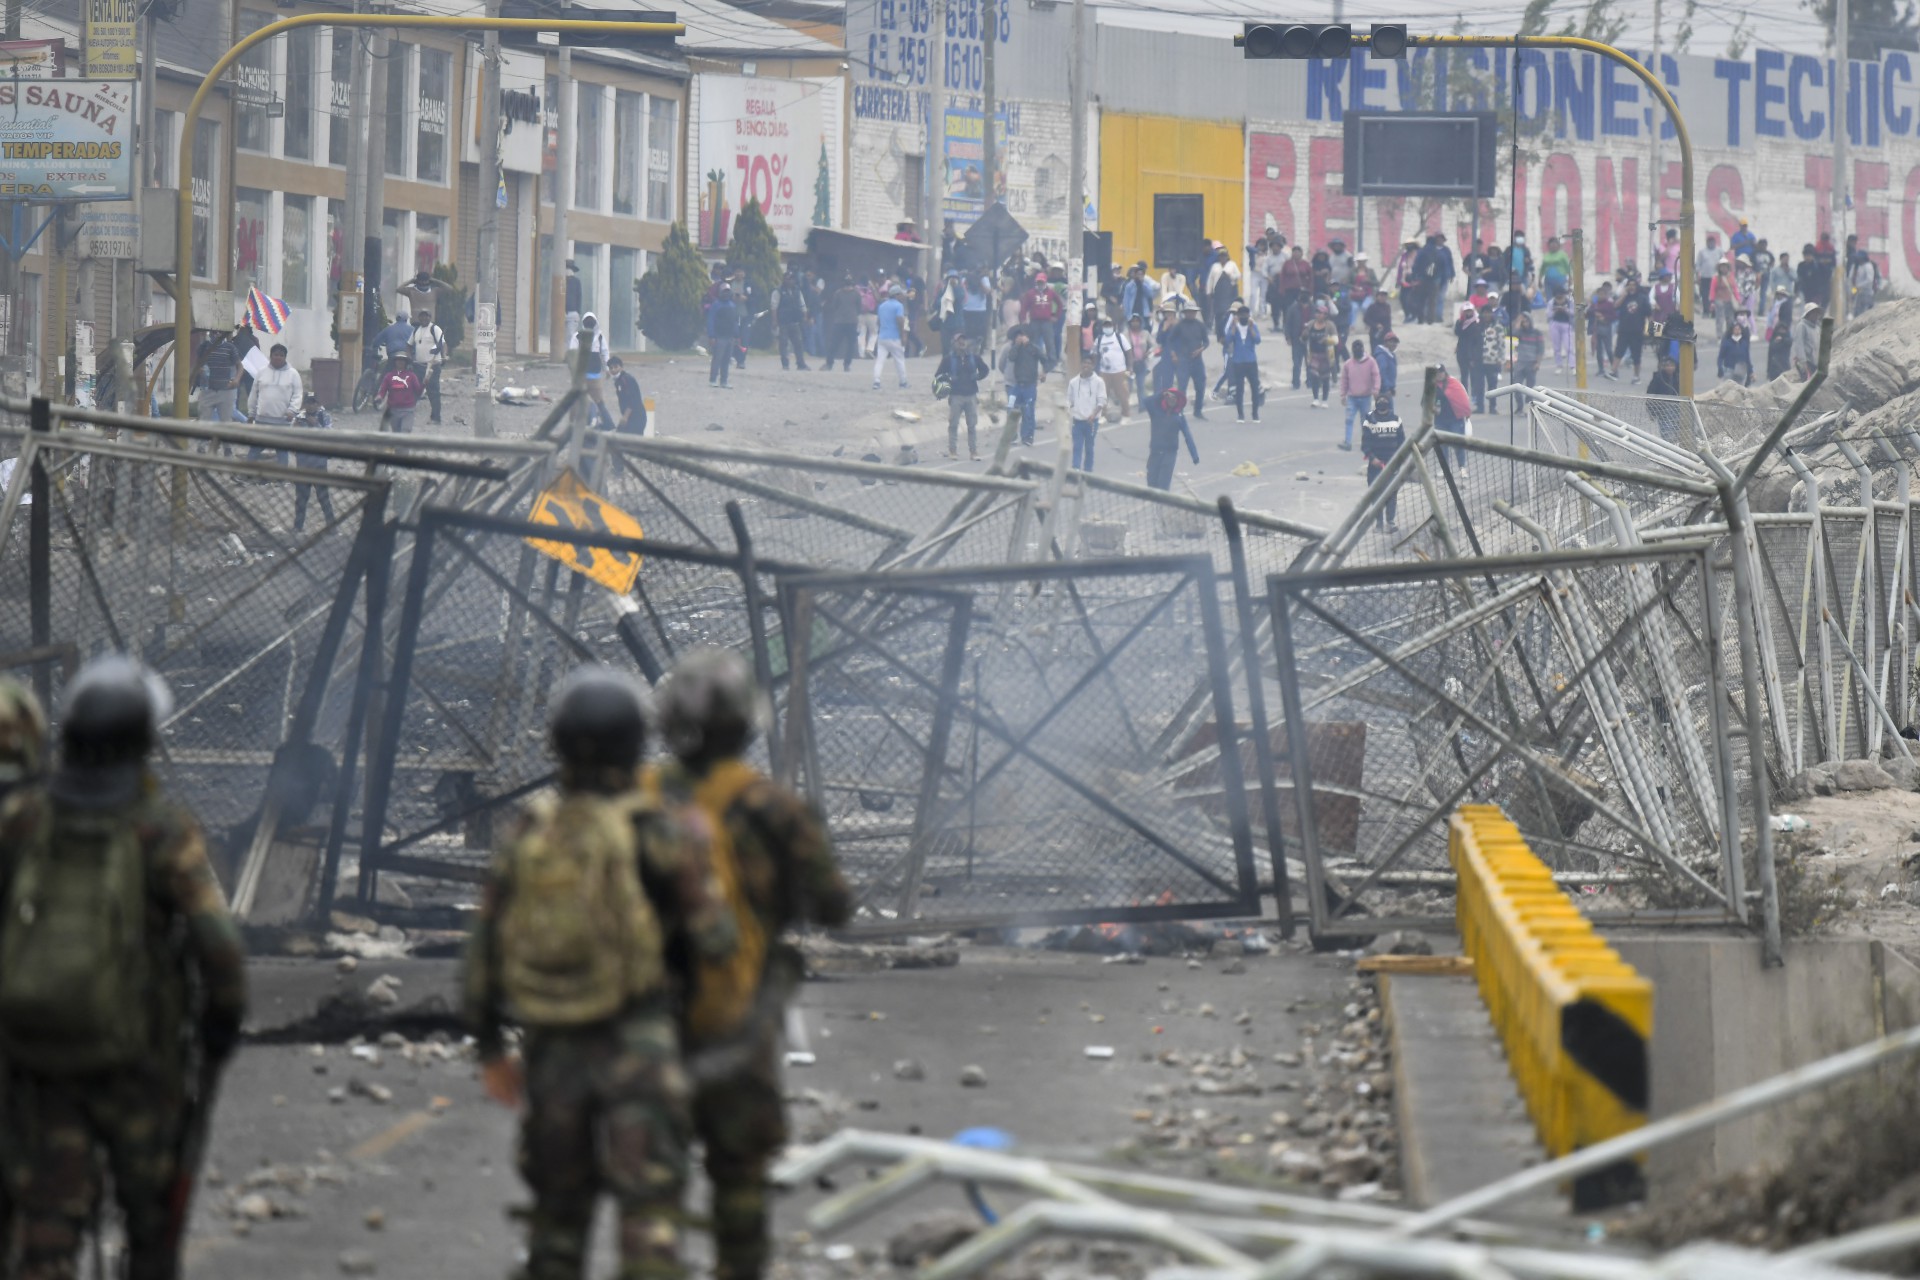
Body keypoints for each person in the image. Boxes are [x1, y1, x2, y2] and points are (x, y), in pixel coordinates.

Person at [463, 665, 732, 1280]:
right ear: (639, 743)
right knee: (651, 1216)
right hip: (643, 1044)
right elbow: (715, 941)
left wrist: (488, 1047)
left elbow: (484, 951)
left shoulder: (528, 832)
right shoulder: (661, 830)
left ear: (557, 742)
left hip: (554, 1048)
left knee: (557, 1221)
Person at [0, 656, 246, 1280]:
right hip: (138, 1065)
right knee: (150, 1226)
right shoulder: (160, 830)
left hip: (40, 1058)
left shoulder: (24, 819)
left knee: (48, 1224)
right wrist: (219, 1027)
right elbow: (218, 947)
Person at [647, 651, 850, 1280]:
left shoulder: (637, 799)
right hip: (738, 1013)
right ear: (746, 725)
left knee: (654, 1181)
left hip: (644, 1020)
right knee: (739, 1177)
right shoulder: (773, 809)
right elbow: (834, 905)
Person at [289, 393, 337, 534]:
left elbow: (330, 434)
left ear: (318, 403)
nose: (311, 405)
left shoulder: (324, 416)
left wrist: (316, 424)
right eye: (308, 402)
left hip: (319, 464)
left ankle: (332, 527)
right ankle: (298, 527)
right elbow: (291, 436)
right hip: (303, 463)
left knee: (323, 497)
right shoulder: (299, 417)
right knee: (301, 498)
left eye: (313, 402)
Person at [936, 333, 989, 460]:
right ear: (954, 343)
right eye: (959, 340)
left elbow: (985, 370)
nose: (962, 342)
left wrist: (977, 376)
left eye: (964, 340)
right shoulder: (948, 360)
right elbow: (938, 376)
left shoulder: (974, 358)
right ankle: (953, 450)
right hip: (955, 396)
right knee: (953, 424)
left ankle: (973, 451)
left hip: (971, 395)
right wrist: (949, 380)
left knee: (972, 425)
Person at [1359, 392, 1404, 531]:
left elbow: (1402, 442)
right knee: (1376, 493)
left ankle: (1390, 521)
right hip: (1375, 466)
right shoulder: (1369, 420)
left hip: (1392, 464)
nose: (1382, 402)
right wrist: (1372, 459)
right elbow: (1365, 444)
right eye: (1380, 400)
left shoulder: (1396, 420)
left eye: (1385, 400)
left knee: (1391, 492)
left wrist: (1398, 460)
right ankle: (1378, 523)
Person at [1164, 300, 1211, 418]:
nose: (1191, 314)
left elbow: (1206, 341)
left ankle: (1198, 410)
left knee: (1200, 386)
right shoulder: (1179, 325)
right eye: (1188, 312)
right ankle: (1180, 411)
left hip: (1197, 360)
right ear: (1185, 313)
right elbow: (1170, 340)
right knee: (1182, 388)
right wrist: (1173, 354)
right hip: (1183, 360)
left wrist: (1201, 349)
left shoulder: (1200, 325)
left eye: (1193, 312)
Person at [1143, 385, 1193, 491]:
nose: (1172, 400)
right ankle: (1155, 504)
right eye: (1169, 397)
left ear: (1178, 401)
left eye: (1174, 398)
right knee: (1151, 481)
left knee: (1163, 483)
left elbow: (1188, 436)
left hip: (1169, 453)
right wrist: (1161, 393)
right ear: (1165, 398)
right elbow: (1146, 401)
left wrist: (1194, 455)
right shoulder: (1156, 413)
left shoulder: (1179, 418)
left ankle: (1162, 505)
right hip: (1155, 452)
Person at [1003, 326, 1046, 446]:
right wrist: (1017, 345)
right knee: (1012, 409)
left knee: (1028, 412)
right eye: (1018, 335)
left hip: (1030, 384)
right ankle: (1012, 436)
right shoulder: (1013, 349)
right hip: (1017, 384)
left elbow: (1043, 359)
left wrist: (1044, 372)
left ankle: (1027, 436)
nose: (1021, 338)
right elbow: (1011, 358)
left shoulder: (1034, 348)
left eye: (1023, 335)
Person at [1221, 303, 1262, 423]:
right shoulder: (1235, 326)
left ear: (1249, 315)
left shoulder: (1252, 325)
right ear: (1238, 316)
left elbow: (1257, 340)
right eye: (1241, 315)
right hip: (1238, 362)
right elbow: (1227, 340)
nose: (1243, 317)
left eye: (1246, 315)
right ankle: (1240, 415)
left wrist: (1250, 328)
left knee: (1254, 388)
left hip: (1251, 361)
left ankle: (1255, 414)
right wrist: (1234, 327)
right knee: (1240, 389)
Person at [192, 328, 242, 425]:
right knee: (203, 423)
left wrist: (236, 379)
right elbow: (197, 365)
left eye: (220, 332)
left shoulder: (230, 347)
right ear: (210, 332)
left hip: (225, 390)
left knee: (226, 423)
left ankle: (223, 440)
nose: (217, 334)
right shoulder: (204, 346)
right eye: (214, 332)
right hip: (207, 390)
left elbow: (240, 366)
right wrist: (199, 370)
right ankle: (203, 440)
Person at [407, 308, 447, 424]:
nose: (424, 318)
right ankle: (407, 414)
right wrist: (409, 357)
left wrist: (444, 355)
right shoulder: (416, 330)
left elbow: (443, 344)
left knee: (433, 392)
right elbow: (408, 345)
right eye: (422, 316)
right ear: (419, 318)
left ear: (430, 318)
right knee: (414, 390)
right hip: (418, 365)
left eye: (426, 316)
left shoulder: (435, 329)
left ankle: (435, 418)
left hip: (432, 365)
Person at [248, 341, 303, 428]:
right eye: (276, 354)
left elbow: (298, 394)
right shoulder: (262, 372)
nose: (278, 357)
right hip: (261, 420)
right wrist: (251, 414)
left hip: (284, 421)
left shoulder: (293, 373)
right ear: (271, 356)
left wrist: (292, 410)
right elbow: (254, 394)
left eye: (281, 355)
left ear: (285, 357)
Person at [1065, 358, 1106, 472]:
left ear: (1093, 366)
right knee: (1077, 446)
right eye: (1084, 363)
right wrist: (1066, 410)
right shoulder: (1073, 382)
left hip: (1091, 422)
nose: (1086, 365)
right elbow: (1069, 400)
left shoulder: (1099, 382)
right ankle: (1076, 469)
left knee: (1089, 448)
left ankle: (1088, 470)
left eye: (1089, 363)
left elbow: (1101, 401)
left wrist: (1093, 414)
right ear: (1081, 364)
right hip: (1077, 421)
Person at [1337, 339, 1379, 452]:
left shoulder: (1371, 362)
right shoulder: (1348, 364)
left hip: (1366, 397)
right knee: (1349, 419)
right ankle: (1348, 442)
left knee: (1364, 421)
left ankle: (1366, 443)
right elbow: (1344, 380)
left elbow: (1376, 376)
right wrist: (1343, 395)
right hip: (1352, 397)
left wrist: (1375, 390)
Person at [571, 312, 613, 419]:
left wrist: (607, 369)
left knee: (598, 399)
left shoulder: (600, 337)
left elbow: (605, 353)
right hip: (581, 374)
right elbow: (572, 354)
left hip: (595, 374)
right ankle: (576, 422)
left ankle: (602, 420)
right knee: (578, 398)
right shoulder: (577, 337)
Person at [869, 286, 910, 390]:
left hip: (882, 337)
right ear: (896, 295)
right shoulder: (899, 306)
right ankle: (903, 382)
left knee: (880, 360)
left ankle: (876, 381)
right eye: (900, 294)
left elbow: (878, 322)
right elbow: (899, 320)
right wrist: (902, 334)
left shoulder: (882, 306)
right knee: (899, 360)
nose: (902, 296)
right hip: (895, 337)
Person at [1434, 366, 1472, 471]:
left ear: (1444, 372)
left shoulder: (1453, 383)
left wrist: (1466, 411)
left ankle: (1462, 467)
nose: (1439, 375)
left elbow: (1462, 398)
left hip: (1455, 419)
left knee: (1458, 444)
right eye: (1437, 373)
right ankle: (1444, 468)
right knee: (1442, 446)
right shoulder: (1432, 386)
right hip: (1440, 420)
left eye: (1441, 372)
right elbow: (1424, 402)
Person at [1092, 318, 1131, 421]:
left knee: (1122, 393)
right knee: (1102, 394)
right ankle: (1102, 415)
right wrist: (1095, 369)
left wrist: (1130, 367)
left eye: (1109, 325)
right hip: (1104, 372)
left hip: (1119, 370)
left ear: (1113, 326)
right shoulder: (1099, 339)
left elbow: (1128, 352)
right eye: (1105, 326)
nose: (1107, 328)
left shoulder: (1120, 337)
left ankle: (1126, 415)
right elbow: (1095, 355)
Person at [375, 354, 422, 434]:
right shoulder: (389, 376)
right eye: (398, 360)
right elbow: (383, 390)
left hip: (408, 410)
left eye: (402, 360)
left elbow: (419, 391)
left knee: (405, 431)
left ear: (406, 362)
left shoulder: (411, 376)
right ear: (395, 362)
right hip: (393, 410)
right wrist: (379, 397)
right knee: (396, 433)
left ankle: (404, 446)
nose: (400, 362)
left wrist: (424, 384)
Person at [1303, 303, 1339, 409]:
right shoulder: (1310, 324)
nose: (1319, 315)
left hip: (1326, 355)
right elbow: (1303, 338)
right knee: (1314, 376)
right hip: (1313, 354)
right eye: (1318, 313)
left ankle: (1324, 400)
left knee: (1325, 378)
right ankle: (1315, 399)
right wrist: (1304, 334)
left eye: (1322, 313)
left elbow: (1336, 340)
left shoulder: (1330, 325)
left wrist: (1326, 340)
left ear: (1326, 315)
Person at [774, 270, 811, 371]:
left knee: (798, 343)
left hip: (795, 321)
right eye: (787, 279)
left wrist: (805, 316)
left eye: (791, 279)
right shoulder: (778, 291)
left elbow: (802, 305)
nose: (789, 281)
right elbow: (774, 307)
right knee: (784, 344)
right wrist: (775, 321)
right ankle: (785, 364)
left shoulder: (797, 291)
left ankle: (801, 363)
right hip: (783, 322)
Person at [823, 276, 861, 372]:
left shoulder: (838, 293)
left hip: (839, 321)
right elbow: (859, 308)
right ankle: (847, 365)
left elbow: (834, 306)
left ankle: (829, 363)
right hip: (852, 321)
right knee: (850, 344)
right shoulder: (856, 294)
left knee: (834, 343)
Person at [1615, 281, 1650, 383]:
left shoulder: (1642, 298)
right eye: (1629, 284)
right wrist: (1624, 295)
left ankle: (1636, 376)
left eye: (1633, 284)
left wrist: (1651, 330)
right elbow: (1616, 305)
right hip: (1623, 330)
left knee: (1636, 355)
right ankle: (1613, 371)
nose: (1631, 286)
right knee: (1618, 351)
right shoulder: (1624, 297)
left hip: (1637, 331)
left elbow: (1649, 314)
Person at [1452, 303, 1484, 410]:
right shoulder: (1460, 322)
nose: (1468, 313)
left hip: (1473, 353)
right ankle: (1464, 397)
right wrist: (1461, 321)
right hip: (1462, 352)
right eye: (1466, 311)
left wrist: (1474, 356)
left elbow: (1477, 341)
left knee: (1474, 376)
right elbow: (1458, 333)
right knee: (1464, 376)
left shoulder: (1477, 323)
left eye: (1470, 311)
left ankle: (1475, 396)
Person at [707, 286, 740, 389]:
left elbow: (735, 321)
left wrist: (736, 335)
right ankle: (713, 379)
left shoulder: (732, 305)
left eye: (728, 292)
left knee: (727, 359)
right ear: (720, 293)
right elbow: (710, 320)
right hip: (719, 336)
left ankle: (724, 381)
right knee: (717, 359)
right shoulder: (716, 305)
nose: (726, 294)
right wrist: (711, 335)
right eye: (724, 291)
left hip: (730, 336)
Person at [607, 355, 647, 435]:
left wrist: (625, 416)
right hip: (630, 418)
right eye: (611, 368)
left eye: (616, 367)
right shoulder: (618, 381)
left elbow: (632, 400)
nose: (613, 370)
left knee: (632, 442)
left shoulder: (626, 379)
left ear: (621, 367)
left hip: (636, 417)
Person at [1512, 312, 1545, 388]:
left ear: (1530, 321)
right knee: (1516, 387)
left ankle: (1528, 400)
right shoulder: (1520, 332)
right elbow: (1514, 334)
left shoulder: (1537, 333)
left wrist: (1538, 363)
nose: (1525, 324)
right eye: (1523, 322)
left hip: (1531, 363)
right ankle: (1519, 400)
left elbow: (1541, 349)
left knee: (1530, 388)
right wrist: (1519, 321)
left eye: (1526, 321)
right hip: (1520, 362)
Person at [1718, 315, 1753, 386]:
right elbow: (1720, 357)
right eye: (1735, 329)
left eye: (1739, 329)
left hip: (1741, 371)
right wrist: (1720, 368)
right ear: (1732, 330)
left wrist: (1751, 371)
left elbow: (1747, 358)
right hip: (1729, 370)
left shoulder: (1744, 343)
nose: (1737, 331)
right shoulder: (1727, 343)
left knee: (1740, 391)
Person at [1792, 302, 1823, 380]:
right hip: (1807, 362)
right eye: (1813, 313)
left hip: (1816, 362)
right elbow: (1799, 345)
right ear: (1808, 314)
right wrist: (1803, 362)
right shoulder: (1802, 326)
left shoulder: (1817, 327)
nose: (1816, 315)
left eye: (1817, 313)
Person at [1547, 290, 1574, 372]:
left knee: (1569, 346)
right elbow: (1548, 314)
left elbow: (1573, 312)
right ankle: (1559, 365)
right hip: (1555, 324)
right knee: (1556, 347)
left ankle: (1573, 365)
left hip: (1566, 324)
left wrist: (1565, 310)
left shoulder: (1569, 301)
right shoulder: (1551, 302)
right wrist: (1555, 311)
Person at [1373, 330, 1400, 411]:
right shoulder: (1382, 356)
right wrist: (1387, 388)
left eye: (1395, 342)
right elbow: (1382, 374)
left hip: (1388, 389)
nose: (1394, 344)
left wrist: (1392, 388)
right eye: (1392, 342)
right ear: (1385, 342)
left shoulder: (1390, 355)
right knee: (1387, 413)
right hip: (1383, 391)